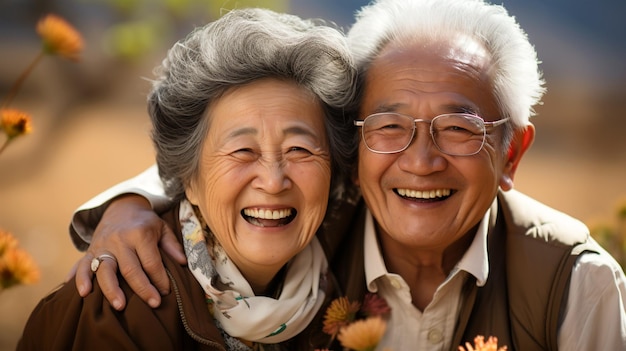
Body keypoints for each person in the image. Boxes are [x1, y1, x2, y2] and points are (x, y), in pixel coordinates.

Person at [65, 0, 626, 350]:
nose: (421, 160)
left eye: (459, 128)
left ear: (511, 153)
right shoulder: (304, 227)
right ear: (353, 144)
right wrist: (131, 204)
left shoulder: (575, 285)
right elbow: (223, 163)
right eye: (388, 126)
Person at [18, 7, 358, 350]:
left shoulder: (351, 274)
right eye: (242, 151)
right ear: (189, 178)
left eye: (299, 149)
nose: (273, 181)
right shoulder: (117, 309)